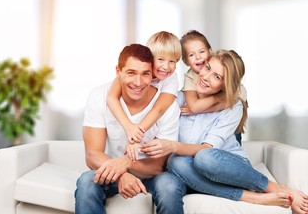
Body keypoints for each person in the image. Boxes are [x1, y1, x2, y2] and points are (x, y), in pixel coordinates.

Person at [140, 49, 308, 213]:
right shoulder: (179, 98)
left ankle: (273, 188)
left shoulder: (232, 107)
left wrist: (173, 146)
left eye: (217, 77)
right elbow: (146, 94)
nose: (206, 77)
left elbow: (207, 150)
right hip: (188, 172)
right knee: (173, 168)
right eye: (207, 68)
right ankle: (252, 197)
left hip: (227, 169)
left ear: (225, 85)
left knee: (204, 157)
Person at [74, 44, 186, 214]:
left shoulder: (167, 106)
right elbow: (92, 155)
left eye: (145, 74)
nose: (138, 82)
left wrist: (125, 162)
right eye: (131, 73)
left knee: (169, 185)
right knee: (86, 181)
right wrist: (121, 174)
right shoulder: (99, 96)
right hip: (112, 171)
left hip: (153, 176)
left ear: (153, 74)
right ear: (118, 71)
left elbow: (157, 166)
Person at [107, 31, 182, 161]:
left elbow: (158, 109)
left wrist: (135, 137)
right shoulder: (132, 71)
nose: (166, 67)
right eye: (160, 59)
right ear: (150, 59)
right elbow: (111, 98)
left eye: (173, 61)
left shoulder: (171, 79)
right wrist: (128, 127)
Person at [180, 30, 248, 144]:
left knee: (232, 140)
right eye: (191, 55)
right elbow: (194, 107)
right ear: (186, 61)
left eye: (202, 51)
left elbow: (235, 101)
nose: (198, 57)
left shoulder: (230, 79)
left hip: (231, 124)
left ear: (210, 52)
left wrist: (217, 99)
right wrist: (219, 99)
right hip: (207, 126)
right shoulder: (190, 77)